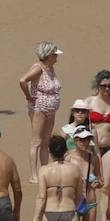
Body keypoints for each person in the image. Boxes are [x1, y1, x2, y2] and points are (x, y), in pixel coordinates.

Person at [19, 41, 64, 184]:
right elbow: (22, 80)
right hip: (39, 109)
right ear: (49, 55)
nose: (57, 57)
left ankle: (44, 170)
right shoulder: (38, 68)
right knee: (36, 141)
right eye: (55, 54)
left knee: (46, 141)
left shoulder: (50, 68)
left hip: (50, 110)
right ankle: (33, 174)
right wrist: (28, 96)